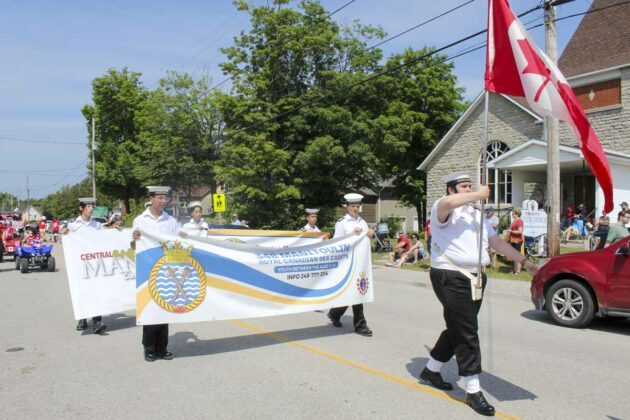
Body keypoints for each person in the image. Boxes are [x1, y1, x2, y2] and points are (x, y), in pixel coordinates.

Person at [419, 172, 538, 416]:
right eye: (464, 187)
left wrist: (524, 261)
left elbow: (496, 243)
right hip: (451, 275)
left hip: (476, 277)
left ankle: (431, 369)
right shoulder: (443, 208)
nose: (469, 190)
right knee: (467, 331)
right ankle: (473, 391)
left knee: (460, 326)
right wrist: (480, 194)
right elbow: (448, 204)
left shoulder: (476, 214)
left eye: (470, 186)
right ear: (452, 190)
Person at [132, 186, 187, 362]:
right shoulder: (140, 220)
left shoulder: (170, 220)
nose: (163, 201)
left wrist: (187, 235)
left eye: (165, 198)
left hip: (166, 269)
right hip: (148, 270)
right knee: (150, 309)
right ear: (151, 198)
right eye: (160, 198)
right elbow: (133, 246)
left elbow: (180, 238)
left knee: (164, 308)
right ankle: (148, 348)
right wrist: (136, 239)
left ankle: (162, 348)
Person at [327, 193, 375, 337]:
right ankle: (360, 325)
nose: (355, 208)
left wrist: (370, 233)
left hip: (361, 264)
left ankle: (335, 314)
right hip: (347, 263)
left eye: (357, 206)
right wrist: (351, 235)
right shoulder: (342, 223)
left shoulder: (362, 221)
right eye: (352, 206)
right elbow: (336, 244)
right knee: (355, 293)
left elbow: (366, 238)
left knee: (356, 292)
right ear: (347, 207)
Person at [62, 197, 107, 335]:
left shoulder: (97, 225)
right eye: (88, 206)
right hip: (79, 264)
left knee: (96, 291)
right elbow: (66, 240)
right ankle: (82, 318)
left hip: (94, 263)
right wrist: (63, 234)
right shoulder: (73, 225)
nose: (91, 208)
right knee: (82, 291)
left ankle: (97, 321)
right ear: (81, 208)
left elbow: (105, 238)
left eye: (92, 206)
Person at [506, 208, 524, 275]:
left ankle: (518, 271)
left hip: (518, 240)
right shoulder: (514, 221)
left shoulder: (519, 221)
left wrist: (512, 231)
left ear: (517, 214)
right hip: (513, 240)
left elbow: (520, 231)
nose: (512, 215)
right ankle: (515, 269)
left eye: (513, 213)